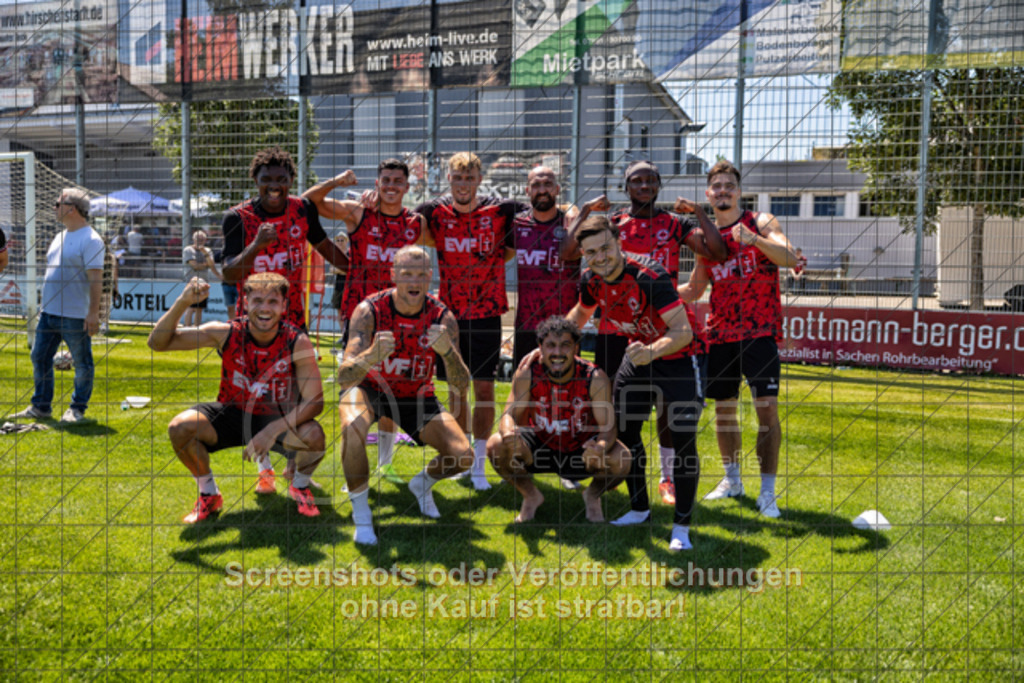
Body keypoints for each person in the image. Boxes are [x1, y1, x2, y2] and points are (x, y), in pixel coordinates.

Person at [566, 161, 727, 507]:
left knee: (671, 411)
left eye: (650, 180)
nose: (643, 185)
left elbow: (715, 250)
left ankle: (669, 479)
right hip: (618, 329)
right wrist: (587, 213)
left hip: (666, 326)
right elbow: (573, 259)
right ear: (625, 187)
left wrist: (699, 212)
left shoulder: (672, 224)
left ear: (658, 185)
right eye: (636, 180)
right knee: (611, 407)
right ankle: (609, 472)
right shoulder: (613, 224)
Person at [566, 215, 706, 551]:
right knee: (626, 433)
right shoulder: (590, 278)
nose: (600, 257)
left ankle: (681, 529)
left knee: (684, 440)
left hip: (680, 358)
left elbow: (682, 331)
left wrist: (653, 351)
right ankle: (640, 508)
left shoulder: (649, 275)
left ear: (618, 241)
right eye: (591, 253)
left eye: (605, 248)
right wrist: (552, 341)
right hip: (639, 357)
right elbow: (580, 315)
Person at [147, 272, 327, 523]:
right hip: (233, 414)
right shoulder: (225, 333)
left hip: (278, 418)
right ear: (244, 302)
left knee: (314, 435)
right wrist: (183, 302)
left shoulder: (297, 342)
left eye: (273, 302)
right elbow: (158, 343)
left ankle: (300, 486)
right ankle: (209, 494)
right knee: (180, 427)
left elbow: (315, 401)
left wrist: (272, 430)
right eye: (258, 301)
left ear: (284, 306)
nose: (265, 309)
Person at [678, 160, 798, 518]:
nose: (723, 191)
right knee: (724, 412)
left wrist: (756, 241)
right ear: (708, 194)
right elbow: (695, 289)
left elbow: (790, 257)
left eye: (729, 185)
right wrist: (654, 286)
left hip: (759, 332)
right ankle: (732, 481)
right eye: (717, 187)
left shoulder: (760, 222)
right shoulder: (708, 239)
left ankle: (767, 492)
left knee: (767, 410)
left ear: (739, 191)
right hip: (721, 335)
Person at [336, 246, 473, 545]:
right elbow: (344, 376)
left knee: (464, 457)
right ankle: (362, 515)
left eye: (422, 274)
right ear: (393, 275)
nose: (414, 281)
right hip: (370, 389)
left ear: (430, 277)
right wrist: (371, 356)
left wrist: (448, 352)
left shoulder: (442, 317)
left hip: (416, 395)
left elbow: (461, 383)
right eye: (407, 273)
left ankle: (421, 483)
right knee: (352, 426)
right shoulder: (369, 310)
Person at [302, 159, 425, 483]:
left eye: (398, 181)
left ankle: (386, 464)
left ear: (407, 187)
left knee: (395, 388)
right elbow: (308, 201)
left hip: (400, 316)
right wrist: (338, 179)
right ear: (377, 182)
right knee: (352, 386)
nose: (392, 186)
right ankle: (353, 471)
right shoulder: (359, 212)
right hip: (360, 316)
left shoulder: (416, 223)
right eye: (386, 179)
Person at [415, 152, 526, 491]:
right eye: (457, 177)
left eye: (469, 177)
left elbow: (545, 214)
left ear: (479, 180)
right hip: (448, 315)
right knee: (456, 388)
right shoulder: (433, 212)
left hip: (488, 312)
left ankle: (479, 465)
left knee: (485, 387)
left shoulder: (500, 210)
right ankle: (462, 455)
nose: (463, 184)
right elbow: (404, 225)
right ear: (448, 179)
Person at [488, 316, 630, 523]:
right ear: (540, 347)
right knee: (495, 445)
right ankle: (531, 496)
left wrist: (600, 446)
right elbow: (509, 415)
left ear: (576, 347)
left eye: (565, 345)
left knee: (622, 457)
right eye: (551, 346)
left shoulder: (593, 377)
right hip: (540, 444)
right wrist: (509, 434)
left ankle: (592, 495)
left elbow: (608, 428)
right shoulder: (528, 371)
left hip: (581, 449)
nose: (557, 353)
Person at [221, 146, 349, 331]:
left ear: (291, 181)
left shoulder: (303, 209)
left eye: (281, 180)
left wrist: (358, 272)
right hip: (252, 318)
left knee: (301, 360)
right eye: (266, 179)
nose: (274, 186)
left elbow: (325, 247)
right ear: (256, 180)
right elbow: (229, 275)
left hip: (293, 318)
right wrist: (256, 246)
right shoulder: (237, 217)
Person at [10, 188, 105, 424]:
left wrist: (93, 313)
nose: (54, 208)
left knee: (82, 363)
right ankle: (41, 407)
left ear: (71, 208)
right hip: (49, 313)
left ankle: (77, 409)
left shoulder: (92, 240)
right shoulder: (60, 236)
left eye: (57, 203)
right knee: (39, 357)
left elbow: (96, 279)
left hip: (75, 315)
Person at [181, 229, 220, 327]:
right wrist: (206, 264)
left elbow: (211, 264)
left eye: (202, 239)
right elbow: (194, 265)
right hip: (192, 282)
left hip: (204, 283)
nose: (200, 241)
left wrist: (204, 253)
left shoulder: (208, 250)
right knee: (191, 307)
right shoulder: (188, 250)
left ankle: (196, 328)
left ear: (205, 240)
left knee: (200, 308)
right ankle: (187, 327)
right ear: (193, 239)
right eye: (198, 239)